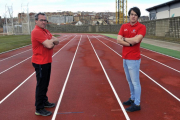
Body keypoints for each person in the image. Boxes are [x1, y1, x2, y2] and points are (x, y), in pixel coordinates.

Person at [117, 7, 146, 112]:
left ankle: (137, 104)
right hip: (125, 57)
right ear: (129, 15)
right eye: (132, 14)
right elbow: (118, 40)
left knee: (135, 82)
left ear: (138, 17)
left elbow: (137, 40)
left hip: (133, 59)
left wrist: (124, 39)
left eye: (135, 15)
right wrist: (130, 42)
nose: (133, 16)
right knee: (129, 81)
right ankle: (133, 98)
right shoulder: (124, 26)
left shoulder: (141, 27)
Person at [31, 12, 59, 116]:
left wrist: (52, 41)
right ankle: (39, 108)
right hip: (40, 62)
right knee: (41, 85)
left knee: (45, 84)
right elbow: (49, 45)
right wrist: (52, 41)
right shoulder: (37, 31)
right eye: (41, 20)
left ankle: (44, 101)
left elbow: (57, 41)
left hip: (47, 61)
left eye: (45, 20)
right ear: (36, 21)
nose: (44, 22)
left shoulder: (45, 31)